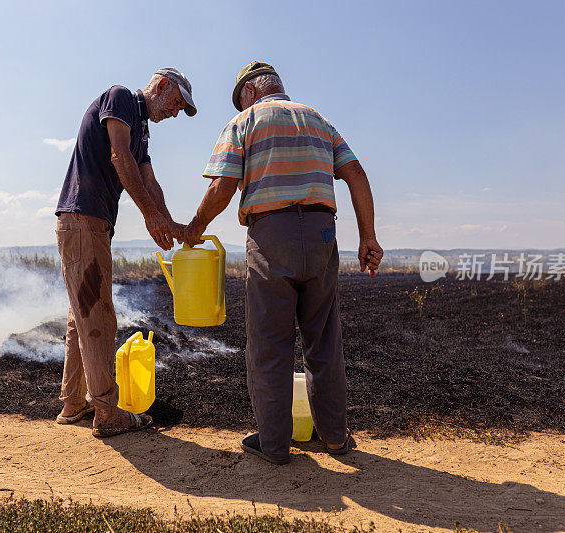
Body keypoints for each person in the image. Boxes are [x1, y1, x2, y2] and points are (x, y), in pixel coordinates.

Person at [181, 61, 383, 464]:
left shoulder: (245, 122)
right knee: (323, 339)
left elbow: (223, 187)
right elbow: (356, 173)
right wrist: (368, 237)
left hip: (272, 233)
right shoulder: (318, 120)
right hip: (324, 234)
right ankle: (336, 438)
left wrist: (194, 227)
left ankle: (274, 445)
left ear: (251, 92)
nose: (240, 105)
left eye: (241, 98)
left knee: (269, 343)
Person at [55, 68, 197, 437]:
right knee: (99, 315)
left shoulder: (142, 131)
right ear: (161, 86)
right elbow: (120, 157)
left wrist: (172, 224)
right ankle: (106, 411)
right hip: (82, 218)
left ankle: (73, 403)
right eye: (177, 103)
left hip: (94, 223)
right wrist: (151, 216)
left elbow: (148, 179)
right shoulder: (120, 98)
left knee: (81, 317)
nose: (176, 112)